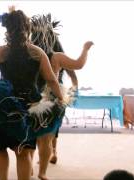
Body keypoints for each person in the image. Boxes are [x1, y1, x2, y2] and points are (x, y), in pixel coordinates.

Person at [0, 6, 66, 180]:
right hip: (29, 106)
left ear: (7, 29)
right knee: (23, 151)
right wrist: (61, 99)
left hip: (1, 104)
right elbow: (52, 80)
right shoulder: (37, 52)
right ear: (28, 29)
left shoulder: (1, 51)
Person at [30, 13, 94, 179]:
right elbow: (78, 64)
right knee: (47, 136)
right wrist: (85, 49)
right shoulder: (56, 57)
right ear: (51, 38)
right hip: (52, 100)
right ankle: (42, 172)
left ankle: (28, 166)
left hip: (31, 97)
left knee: (30, 134)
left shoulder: (29, 54)